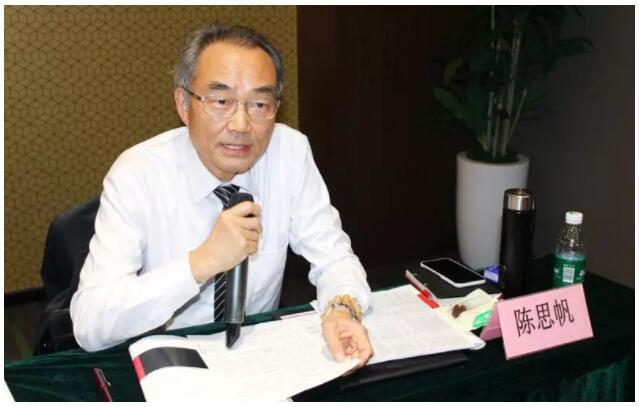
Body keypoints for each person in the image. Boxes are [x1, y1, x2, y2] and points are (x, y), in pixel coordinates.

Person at [70, 24, 374, 367]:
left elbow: (334, 257)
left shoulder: (289, 152)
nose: (241, 125)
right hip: (168, 360)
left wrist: (342, 308)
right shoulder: (137, 173)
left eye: (259, 103)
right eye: (221, 101)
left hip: (258, 358)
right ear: (184, 104)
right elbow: (89, 325)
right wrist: (201, 263)